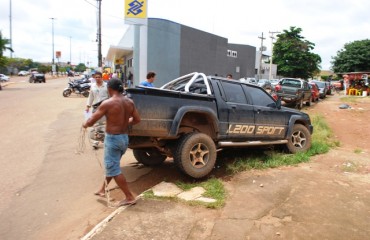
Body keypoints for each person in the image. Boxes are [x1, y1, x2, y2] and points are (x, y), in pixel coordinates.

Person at [83, 78, 141, 207]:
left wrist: (85, 124)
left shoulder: (108, 103)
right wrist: (125, 122)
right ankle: (102, 189)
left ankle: (129, 197)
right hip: (124, 139)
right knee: (112, 165)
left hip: (113, 139)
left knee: (113, 168)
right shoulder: (129, 102)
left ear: (109, 89)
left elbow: (92, 120)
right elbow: (137, 119)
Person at [86, 71, 109, 148]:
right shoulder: (93, 86)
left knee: (105, 124)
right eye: (96, 77)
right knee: (95, 124)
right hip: (96, 108)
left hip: (105, 107)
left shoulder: (106, 85)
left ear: (101, 77)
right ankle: (96, 141)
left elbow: (110, 96)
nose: (98, 78)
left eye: (99, 77)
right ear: (94, 78)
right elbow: (91, 96)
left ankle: (105, 140)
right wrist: (88, 106)